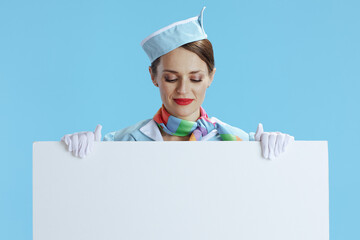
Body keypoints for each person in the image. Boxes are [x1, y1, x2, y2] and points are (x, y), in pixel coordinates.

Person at [61, 6, 294, 160]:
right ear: (153, 77)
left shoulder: (238, 141)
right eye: (171, 78)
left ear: (211, 77)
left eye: (195, 78)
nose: (183, 90)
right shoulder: (120, 142)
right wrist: (77, 149)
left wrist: (278, 150)